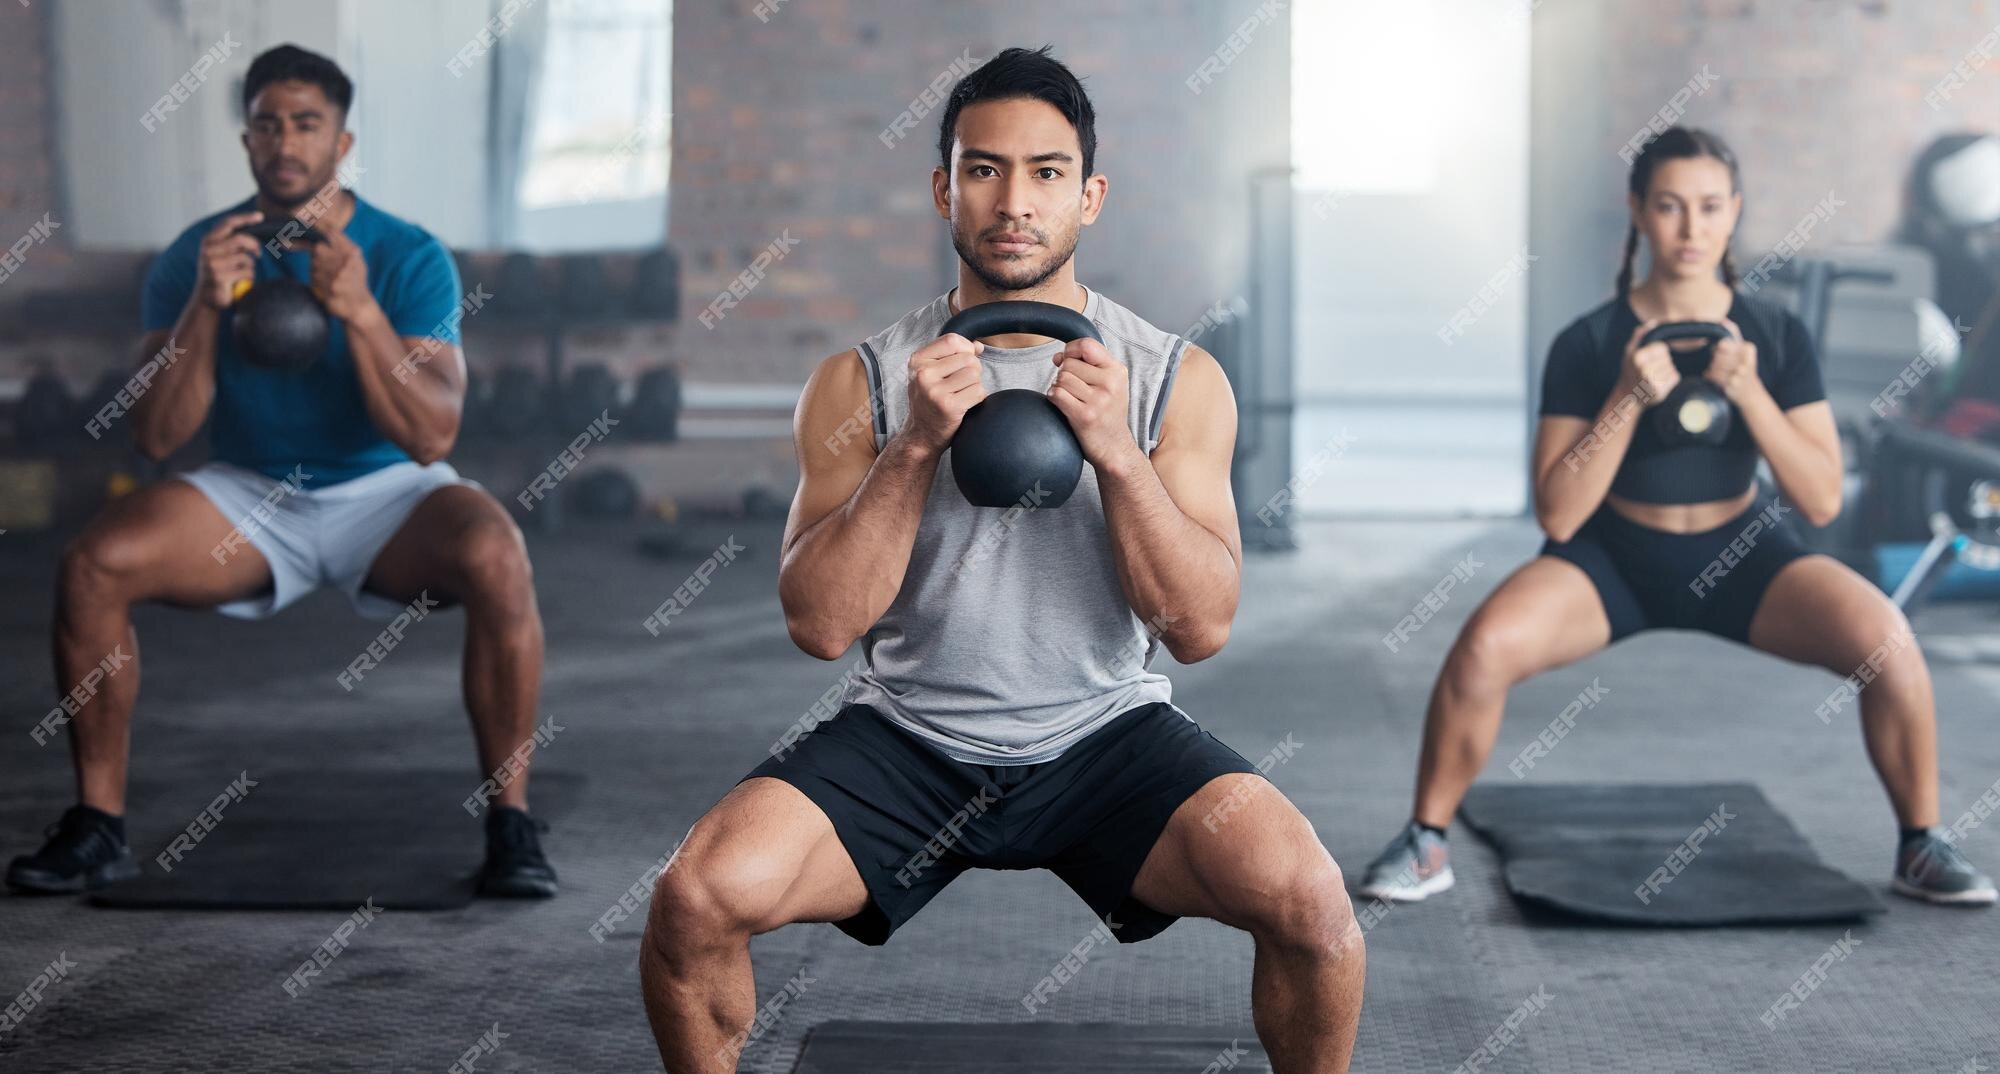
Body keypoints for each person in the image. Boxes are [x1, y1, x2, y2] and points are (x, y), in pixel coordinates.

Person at [640, 47, 1364, 1072]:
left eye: (1046, 172)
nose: (1013, 201)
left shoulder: (1170, 378)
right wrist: (916, 446)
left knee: (1312, 908)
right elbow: (819, 625)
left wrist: (1114, 449)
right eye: (982, 170)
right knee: (693, 899)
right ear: (943, 188)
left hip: (1104, 733)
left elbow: (1199, 629)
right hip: (907, 736)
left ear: (1090, 195)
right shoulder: (861, 383)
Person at [1357, 126, 1996, 908]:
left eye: (1708, 207)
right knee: (1484, 649)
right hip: (1614, 560)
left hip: (1746, 555)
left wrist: (1752, 392)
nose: (1690, 229)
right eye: (1669, 206)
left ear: (1733, 213)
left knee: (1887, 643)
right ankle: (1426, 841)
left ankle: (1920, 845)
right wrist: (1627, 395)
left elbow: (1823, 499)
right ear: (1638, 212)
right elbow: (1559, 514)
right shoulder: (1588, 343)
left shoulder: (1775, 335)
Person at [7, 45, 556, 899]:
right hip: (251, 493)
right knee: (93, 564)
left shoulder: (408, 254)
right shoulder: (200, 253)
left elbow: (431, 439)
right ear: (246, 139)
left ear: (342, 142)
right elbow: (153, 436)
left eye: (307, 124)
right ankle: (98, 826)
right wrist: (202, 304)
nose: (285, 142)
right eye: (268, 124)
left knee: (496, 554)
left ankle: (512, 822)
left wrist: (362, 311)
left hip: (387, 494)